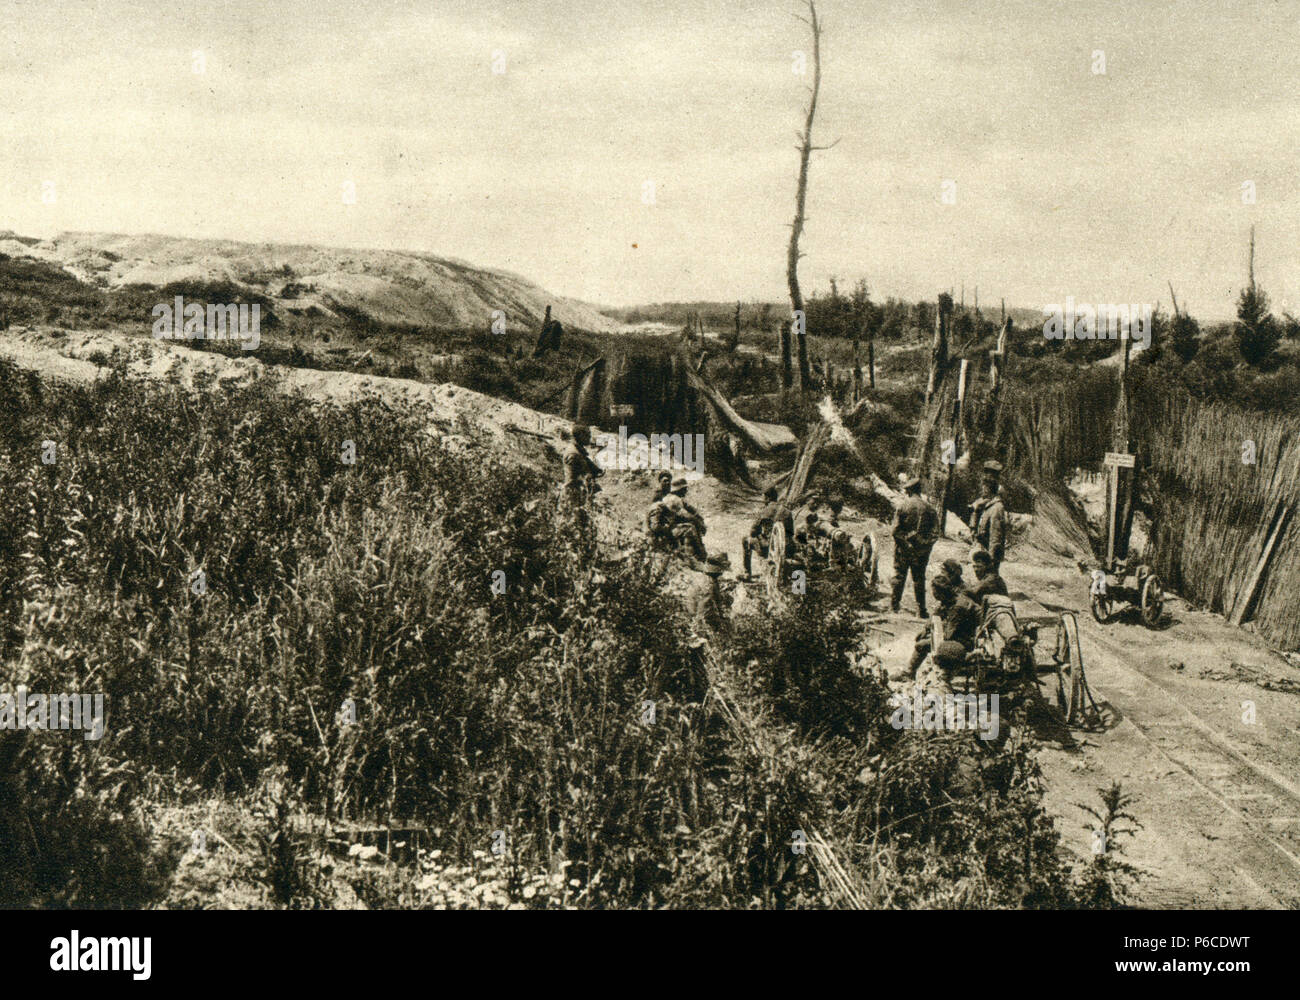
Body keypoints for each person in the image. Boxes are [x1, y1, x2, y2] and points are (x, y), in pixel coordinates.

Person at [907, 566, 980, 677]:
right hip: (959, 635)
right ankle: (909, 672)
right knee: (924, 640)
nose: (933, 594)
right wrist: (926, 629)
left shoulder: (958, 607)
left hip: (965, 641)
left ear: (941, 592)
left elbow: (948, 635)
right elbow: (937, 612)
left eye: (934, 592)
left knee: (921, 645)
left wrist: (929, 639)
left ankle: (909, 673)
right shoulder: (950, 598)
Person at [890, 474, 938, 616]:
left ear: (909, 491)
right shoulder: (930, 509)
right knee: (919, 579)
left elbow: (895, 531)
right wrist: (923, 545)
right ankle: (921, 610)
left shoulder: (903, 506)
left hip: (903, 551)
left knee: (899, 577)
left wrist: (905, 544)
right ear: (919, 490)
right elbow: (935, 534)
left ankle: (894, 607)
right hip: (921, 552)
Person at [970, 460, 1008, 572]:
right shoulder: (984, 505)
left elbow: (995, 538)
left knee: (989, 584)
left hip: (989, 557)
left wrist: (991, 560)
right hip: (982, 552)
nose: (982, 490)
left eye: (985, 488)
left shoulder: (996, 508)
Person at [661, 477, 708, 562]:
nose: (686, 491)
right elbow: (687, 516)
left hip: (669, 526)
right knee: (691, 528)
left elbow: (689, 508)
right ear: (680, 489)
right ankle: (698, 555)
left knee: (692, 524)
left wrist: (698, 516)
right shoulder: (674, 499)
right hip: (669, 528)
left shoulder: (669, 497)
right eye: (684, 489)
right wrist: (700, 524)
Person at [742, 486, 781, 577]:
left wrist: (760, 535)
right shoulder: (787, 511)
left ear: (768, 498)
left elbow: (753, 532)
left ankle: (747, 573)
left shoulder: (764, 511)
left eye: (764, 499)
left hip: (769, 548)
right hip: (785, 547)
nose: (763, 501)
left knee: (745, 540)